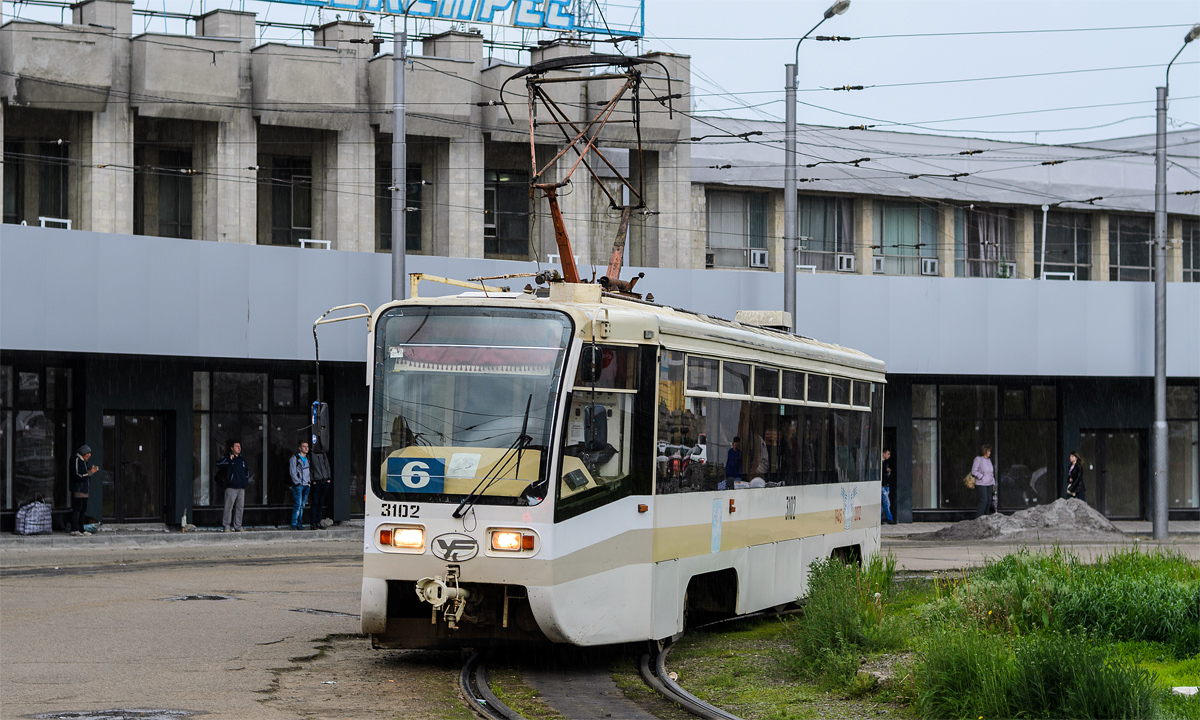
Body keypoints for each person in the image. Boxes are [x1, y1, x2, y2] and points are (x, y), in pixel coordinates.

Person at [217, 441, 250, 532]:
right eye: (236, 446)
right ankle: (226, 526)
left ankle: (238, 526)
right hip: (231, 487)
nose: (239, 448)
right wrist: (229, 460)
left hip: (241, 487)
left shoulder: (242, 460)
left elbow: (246, 471)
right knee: (229, 507)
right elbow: (218, 464)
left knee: (240, 508)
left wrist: (245, 481)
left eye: (239, 446)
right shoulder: (228, 458)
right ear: (232, 448)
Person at [70, 445, 99, 536]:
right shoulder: (76, 460)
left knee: (83, 510)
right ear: (83, 453)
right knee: (77, 509)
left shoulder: (84, 462)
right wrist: (90, 472)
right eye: (88, 453)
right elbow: (77, 475)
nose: (89, 455)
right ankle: (75, 529)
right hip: (79, 489)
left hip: (85, 489)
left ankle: (81, 529)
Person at [289, 441, 311, 530]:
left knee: (302, 505)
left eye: (307, 447)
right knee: (298, 505)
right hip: (299, 485)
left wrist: (309, 482)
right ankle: (294, 523)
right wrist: (297, 483)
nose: (306, 448)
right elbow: (292, 472)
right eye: (304, 446)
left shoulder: (308, 459)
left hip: (306, 485)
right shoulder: (294, 458)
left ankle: (299, 523)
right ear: (300, 448)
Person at [970, 444, 996, 519]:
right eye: (988, 451)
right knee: (983, 500)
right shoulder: (978, 459)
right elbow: (973, 471)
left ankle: (986, 517)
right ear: (985, 451)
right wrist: (981, 476)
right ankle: (978, 517)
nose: (990, 453)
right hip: (981, 484)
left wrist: (993, 484)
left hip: (990, 483)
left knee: (989, 501)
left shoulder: (989, 460)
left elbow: (991, 473)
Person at [309, 449, 332, 530]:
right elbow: (310, 468)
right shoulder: (311, 455)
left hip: (324, 480)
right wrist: (313, 480)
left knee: (320, 503)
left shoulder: (323, 454)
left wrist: (328, 477)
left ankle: (318, 522)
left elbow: (327, 466)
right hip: (317, 481)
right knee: (315, 502)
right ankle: (313, 523)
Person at [881, 448, 895, 524]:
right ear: (884, 454)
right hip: (883, 486)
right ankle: (890, 518)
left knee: (884, 504)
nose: (889, 456)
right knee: (887, 503)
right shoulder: (882, 464)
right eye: (888, 454)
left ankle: (879, 518)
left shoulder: (885, 463)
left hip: (886, 485)